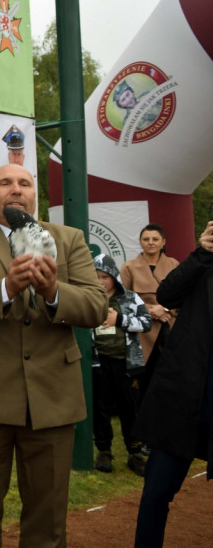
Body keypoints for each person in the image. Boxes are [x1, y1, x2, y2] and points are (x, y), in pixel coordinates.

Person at [0, 163, 106, 547]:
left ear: (35, 195)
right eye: (5, 182)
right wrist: (5, 287)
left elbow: (96, 305)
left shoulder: (68, 238)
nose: (15, 189)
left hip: (52, 401)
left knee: (47, 525)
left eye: (24, 183)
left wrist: (54, 293)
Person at [133, 221, 213, 547]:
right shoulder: (201, 263)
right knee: (156, 494)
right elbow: (167, 294)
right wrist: (202, 253)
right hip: (182, 398)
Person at [91, 254, 151, 477]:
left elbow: (146, 323)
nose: (100, 282)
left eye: (104, 277)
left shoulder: (131, 298)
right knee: (101, 409)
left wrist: (121, 320)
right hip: (99, 364)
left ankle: (135, 453)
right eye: (96, 277)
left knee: (130, 409)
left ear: (114, 277)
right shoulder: (89, 298)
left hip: (128, 364)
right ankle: (104, 451)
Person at [120, 224, 180, 365]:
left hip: (170, 325)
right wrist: (151, 310)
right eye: (146, 239)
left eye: (155, 239)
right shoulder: (129, 267)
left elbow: (183, 296)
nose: (151, 243)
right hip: (142, 328)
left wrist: (164, 309)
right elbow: (122, 299)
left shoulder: (174, 264)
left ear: (163, 242)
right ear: (140, 242)